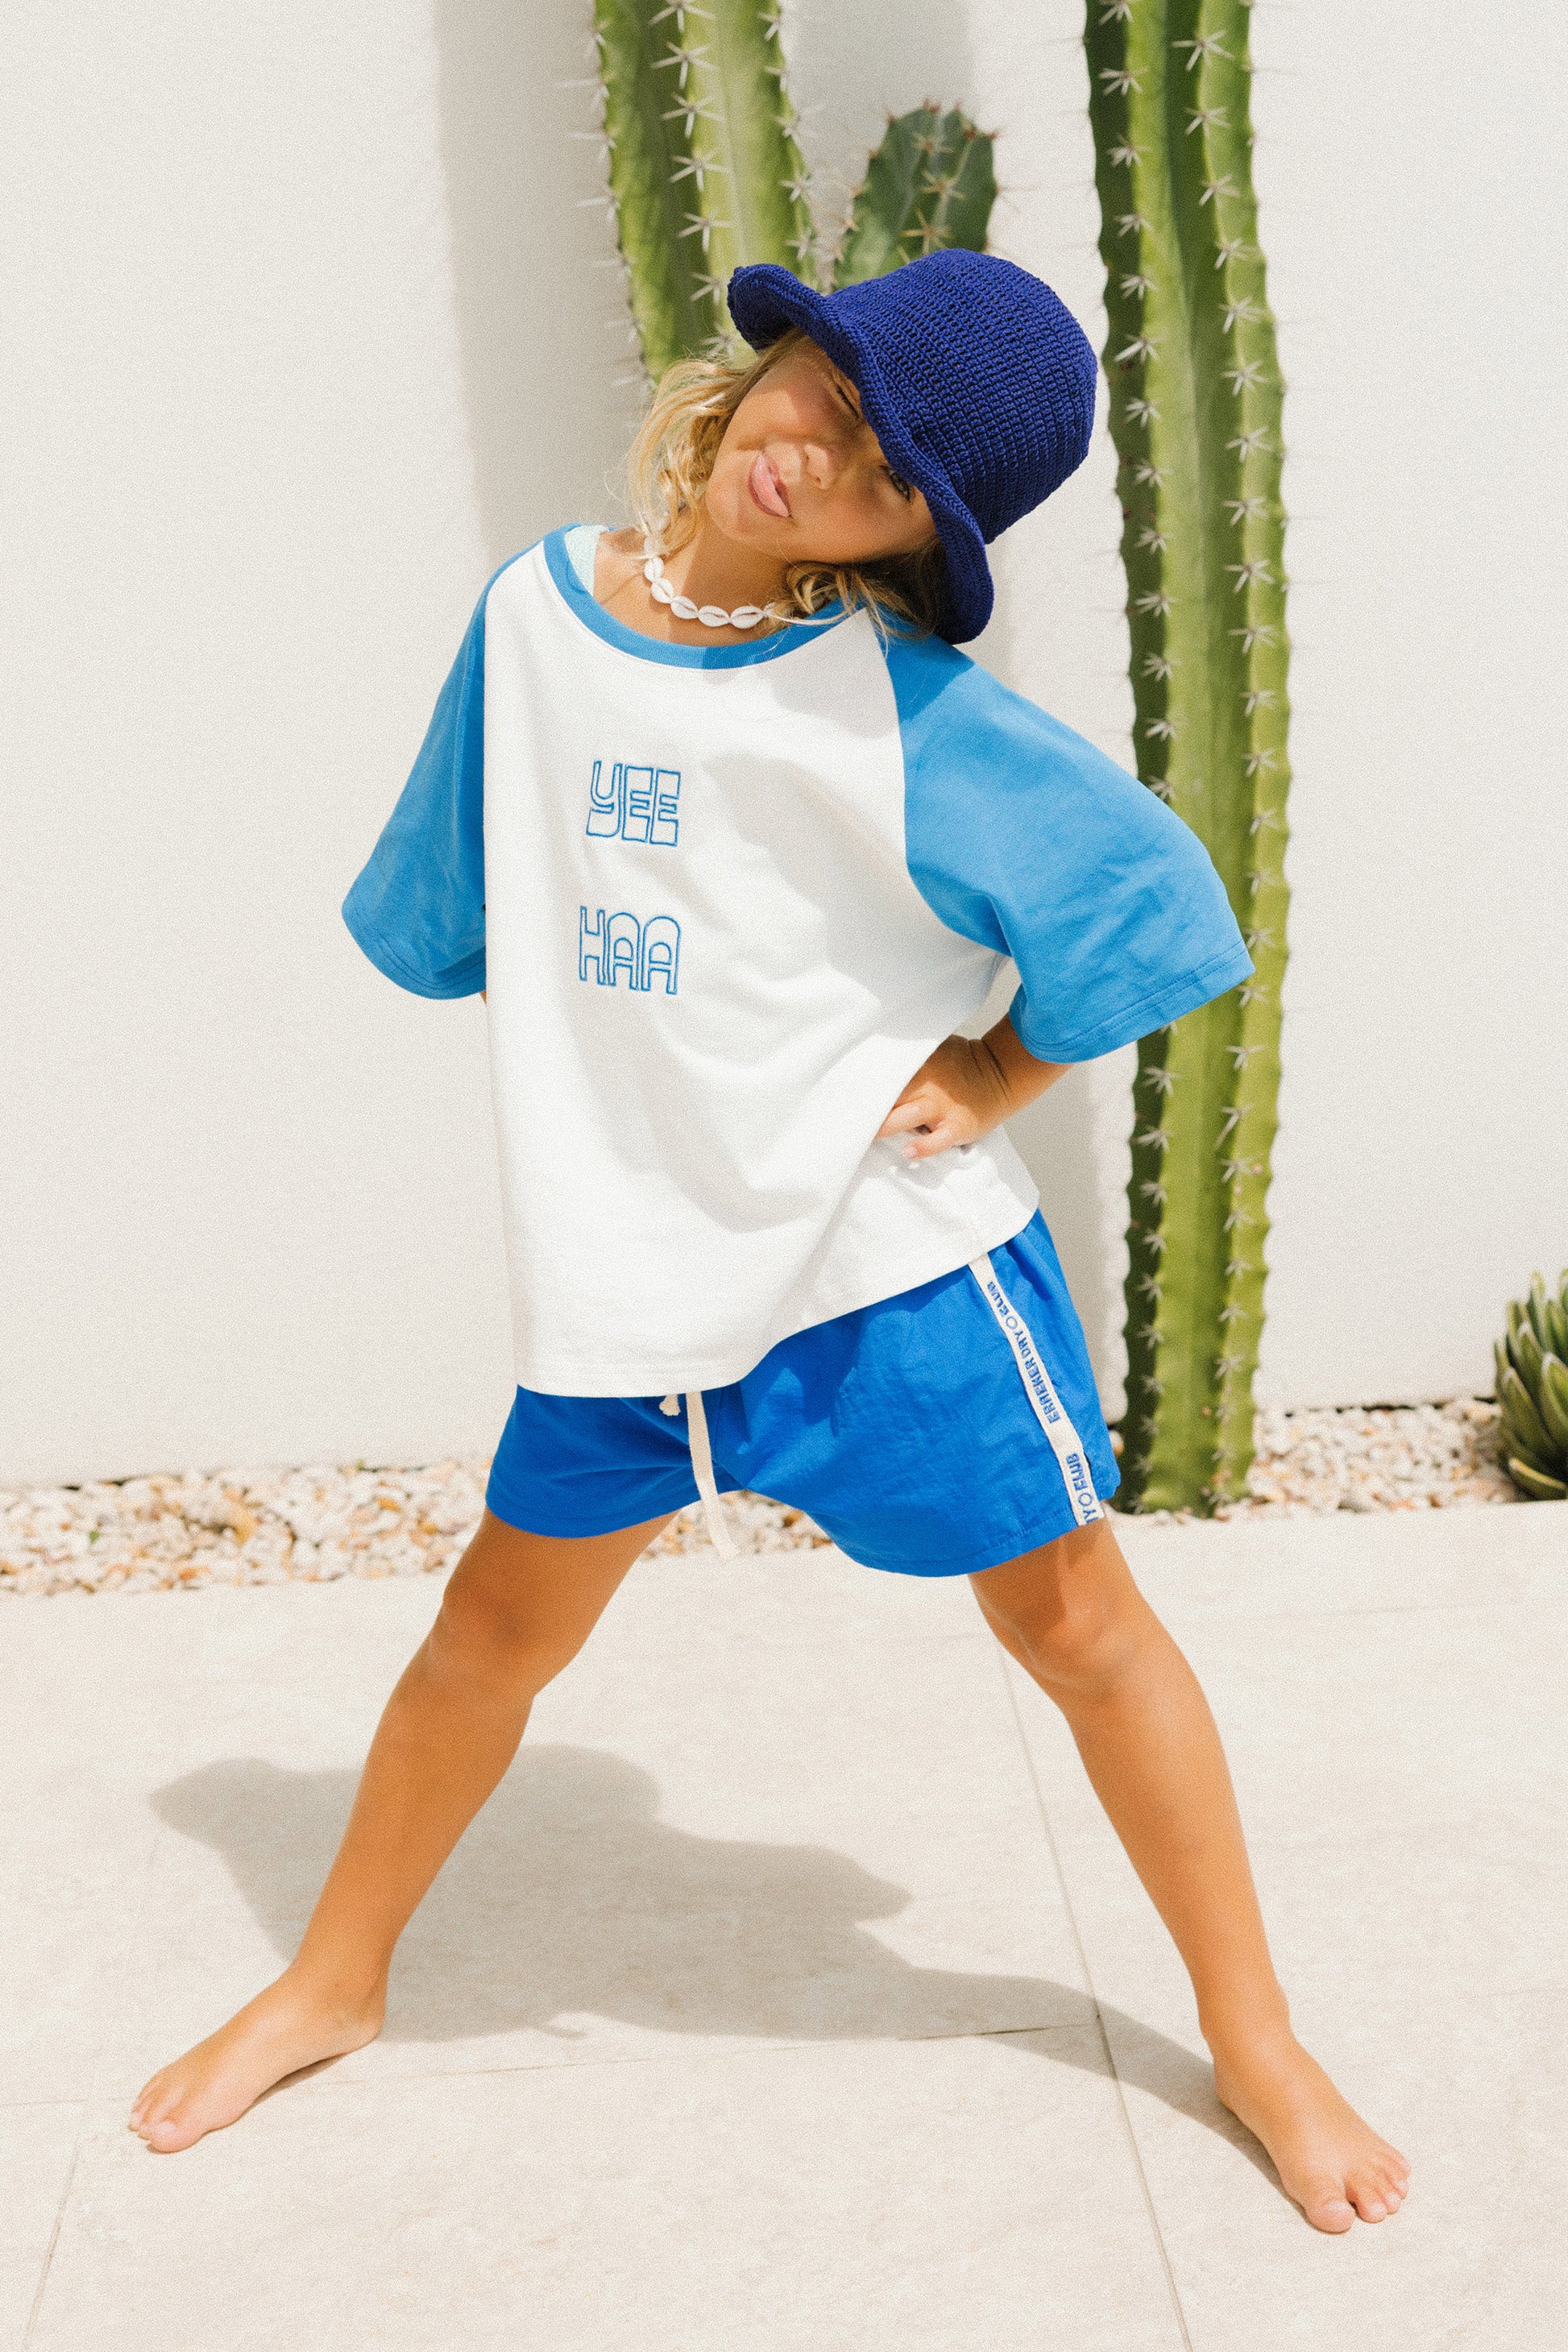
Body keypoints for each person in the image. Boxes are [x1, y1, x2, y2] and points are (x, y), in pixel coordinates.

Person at [129, 251, 1408, 2231]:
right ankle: (331, 1976)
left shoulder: (897, 711)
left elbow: (1152, 899)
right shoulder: (533, 622)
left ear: (917, 536)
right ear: (769, 362)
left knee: (1074, 1625)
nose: (819, 456)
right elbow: (432, 913)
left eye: (890, 476)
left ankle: (1257, 2034)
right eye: (828, 393)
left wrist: (991, 1070)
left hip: (880, 1273)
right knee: (487, 1634)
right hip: (630, 1278)